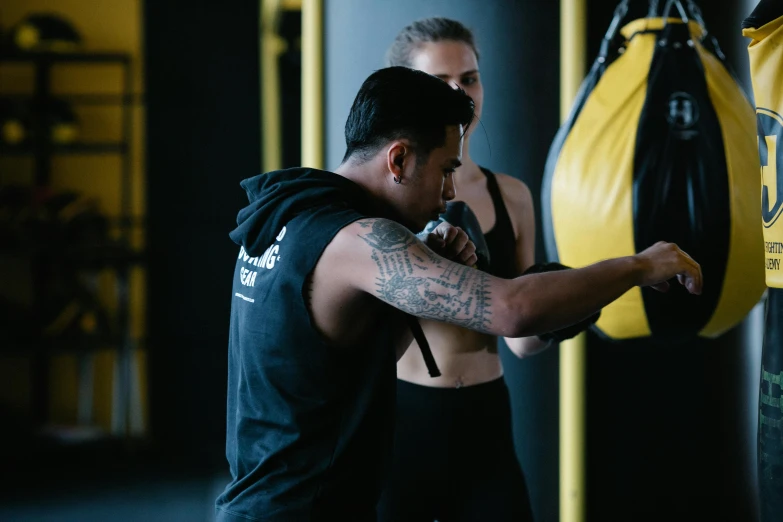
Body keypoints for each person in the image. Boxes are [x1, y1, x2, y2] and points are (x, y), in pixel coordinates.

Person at [214, 65, 703, 522]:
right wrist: (640, 264)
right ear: (399, 158)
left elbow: (357, 363)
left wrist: (432, 267)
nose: (450, 192)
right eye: (447, 169)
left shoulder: (289, 217)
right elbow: (514, 309)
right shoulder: (352, 239)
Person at [378, 18, 547, 521]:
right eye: (439, 82)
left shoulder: (511, 196)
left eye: (469, 78)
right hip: (407, 418)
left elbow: (522, 341)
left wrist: (565, 311)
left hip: (485, 417)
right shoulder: (383, 198)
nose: (460, 94)